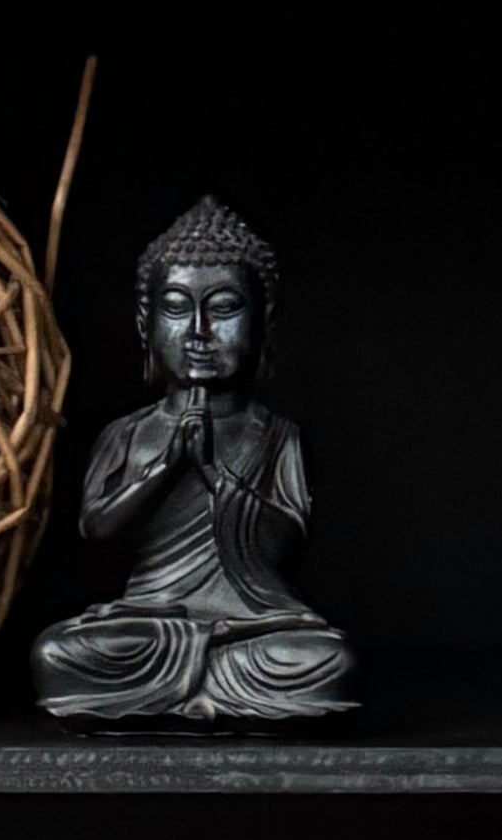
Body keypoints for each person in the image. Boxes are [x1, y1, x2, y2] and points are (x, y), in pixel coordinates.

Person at [30, 195, 356, 725]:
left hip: (249, 625)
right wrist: (165, 468)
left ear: (264, 321)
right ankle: (203, 690)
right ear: (146, 323)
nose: (199, 330)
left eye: (224, 308)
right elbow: (97, 530)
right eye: (177, 308)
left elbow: (287, 541)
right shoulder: (127, 434)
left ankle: (194, 689)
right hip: (151, 619)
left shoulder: (278, 437)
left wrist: (214, 473)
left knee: (327, 658)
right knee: (56, 653)